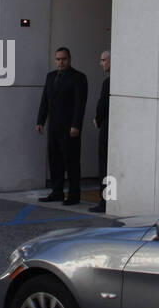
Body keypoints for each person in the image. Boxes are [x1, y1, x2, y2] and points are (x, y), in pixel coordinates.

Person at [36, 47, 88, 205]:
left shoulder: (78, 77)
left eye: (64, 59)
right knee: (54, 159)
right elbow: (45, 100)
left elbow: (80, 104)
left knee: (71, 161)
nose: (61, 62)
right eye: (58, 59)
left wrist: (76, 125)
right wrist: (40, 120)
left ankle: (74, 195)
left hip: (70, 127)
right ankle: (57, 191)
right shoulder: (51, 77)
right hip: (54, 126)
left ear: (70, 59)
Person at [89, 50, 110, 212]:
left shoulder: (108, 82)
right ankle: (109, 199)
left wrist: (97, 118)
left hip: (106, 127)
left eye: (104, 60)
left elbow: (102, 104)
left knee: (104, 165)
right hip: (111, 127)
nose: (101, 63)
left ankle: (105, 201)